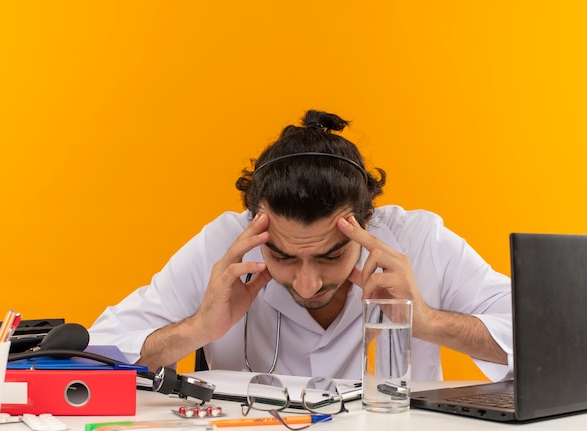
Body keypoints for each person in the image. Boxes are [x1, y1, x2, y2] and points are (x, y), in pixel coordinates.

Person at [89, 110, 512, 381]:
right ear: (257, 227)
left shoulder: (420, 240)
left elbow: (556, 341)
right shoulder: (223, 244)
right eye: (283, 257)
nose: (307, 284)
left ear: (366, 223)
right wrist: (197, 328)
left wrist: (426, 321)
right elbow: (92, 351)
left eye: (331, 255)